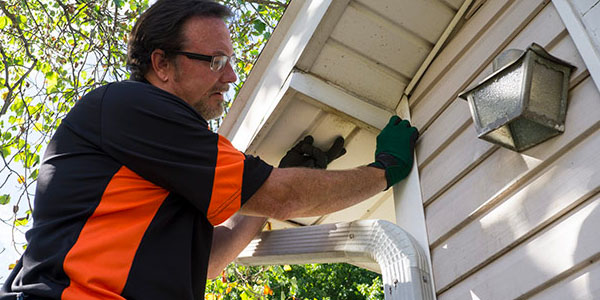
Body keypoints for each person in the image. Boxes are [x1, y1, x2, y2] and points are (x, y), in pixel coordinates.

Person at [0, 0, 418, 299]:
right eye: (216, 61)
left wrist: (275, 183)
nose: (232, 75)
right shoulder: (134, 107)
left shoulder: (162, 166)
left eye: (231, 61)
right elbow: (282, 195)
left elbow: (207, 263)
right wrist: (384, 169)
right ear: (162, 64)